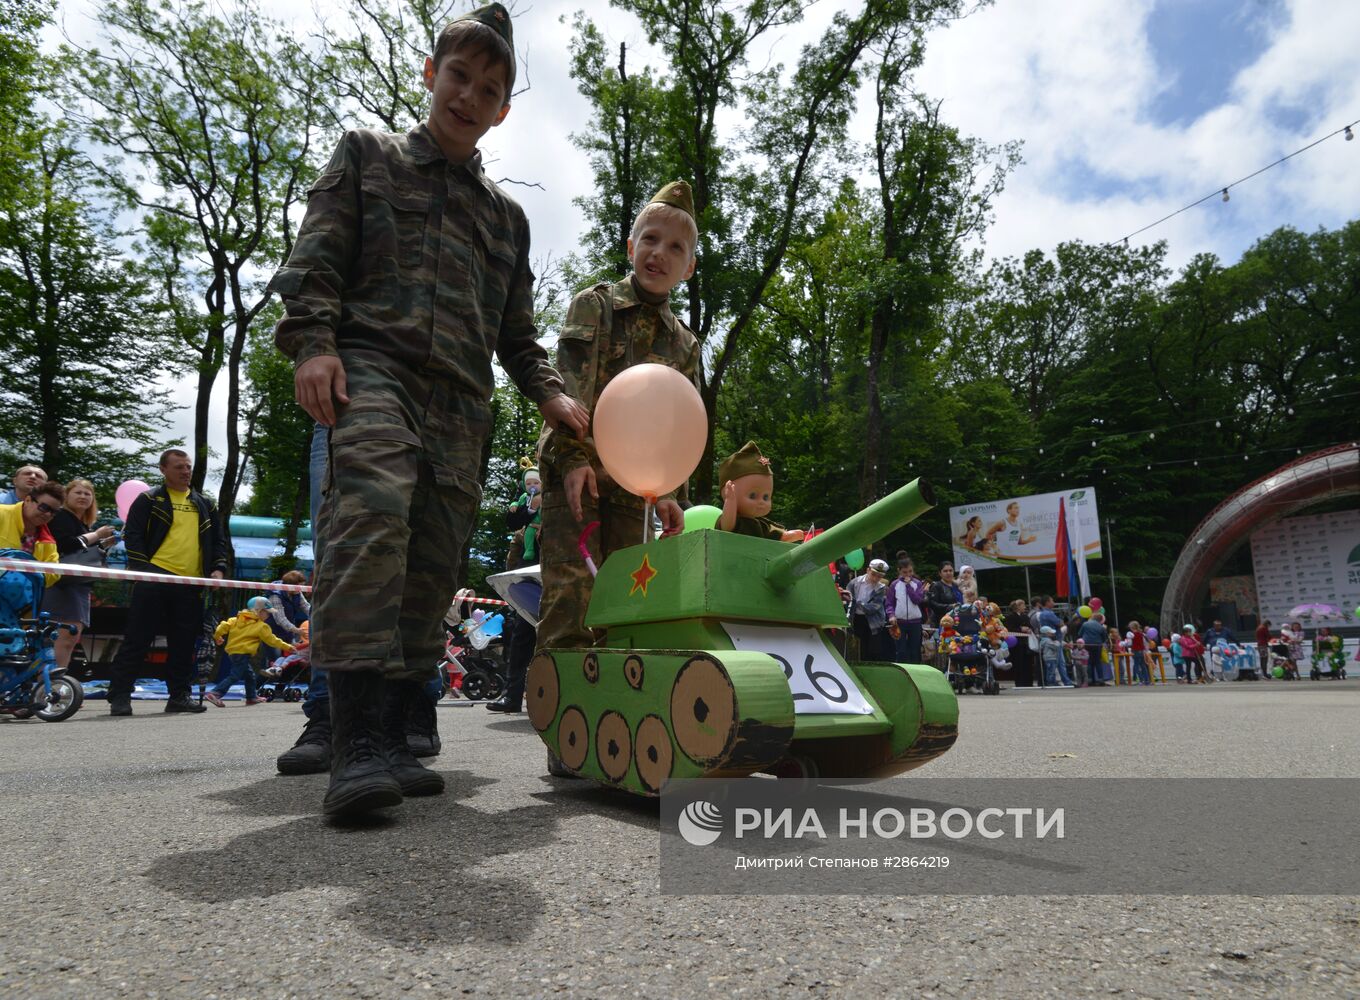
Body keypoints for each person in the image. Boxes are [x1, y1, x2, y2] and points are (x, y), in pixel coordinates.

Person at [269, 4, 589, 817]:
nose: (470, 95)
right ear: (430, 74)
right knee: (370, 524)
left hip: (462, 404)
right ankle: (355, 741)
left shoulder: (505, 219)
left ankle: (398, 732)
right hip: (371, 372)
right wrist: (313, 343)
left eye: (490, 87)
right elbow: (316, 259)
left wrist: (552, 394)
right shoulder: (368, 157)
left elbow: (517, 336)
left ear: (503, 109)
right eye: (459, 75)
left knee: (433, 564)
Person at [535, 179, 699, 651]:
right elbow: (568, 389)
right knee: (572, 597)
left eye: (674, 248)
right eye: (649, 239)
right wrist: (570, 459)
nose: (658, 254)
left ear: (687, 268)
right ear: (631, 246)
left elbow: (678, 423)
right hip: (577, 478)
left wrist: (671, 493)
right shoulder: (596, 306)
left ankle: (613, 713)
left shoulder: (685, 344)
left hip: (636, 492)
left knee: (626, 605)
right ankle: (561, 714)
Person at [107, 450, 228, 716]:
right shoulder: (148, 499)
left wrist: (218, 569)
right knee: (138, 639)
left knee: (184, 643)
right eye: (178, 467)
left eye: (188, 467)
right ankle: (120, 695)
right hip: (154, 578)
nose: (185, 472)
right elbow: (133, 538)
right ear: (163, 469)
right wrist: (144, 571)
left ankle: (179, 696)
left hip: (190, 583)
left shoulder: (205, 504)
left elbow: (218, 542)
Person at [43, 478, 118, 668]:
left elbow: (81, 550)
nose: (83, 497)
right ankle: (52, 682)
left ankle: (57, 680)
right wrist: (97, 535)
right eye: (78, 492)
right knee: (63, 636)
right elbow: (65, 545)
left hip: (77, 586)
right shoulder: (60, 516)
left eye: (87, 493)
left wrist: (103, 544)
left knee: (70, 637)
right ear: (66, 495)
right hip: (62, 586)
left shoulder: (80, 522)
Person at [487, 477, 540, 714]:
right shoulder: (525, 513)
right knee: (521, 636)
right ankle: (512, 695)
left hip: (561, 575)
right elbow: (513, 529)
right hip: (530, 584)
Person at [204, 597, 295, 707]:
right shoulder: (261, 626)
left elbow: (223, 626)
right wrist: (287, 647)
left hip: (233, 653)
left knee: (249, 675)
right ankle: (215, 693)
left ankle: (251, 697)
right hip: (243, 654)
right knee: (235, 676)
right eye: (267, 613)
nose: (268, 615)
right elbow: (272, 640)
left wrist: (218, 636)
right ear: (259, 611)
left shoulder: (236, 620)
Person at [0, 480, 63, 586]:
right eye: (44, 507)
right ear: (28, 500)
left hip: (18, 599)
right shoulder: (2, 513)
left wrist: (28, 579)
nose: (48, 514)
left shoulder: (48, 540)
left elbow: (54, 574)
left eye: (53, 512)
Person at [884, 556, 926, 664]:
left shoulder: (917, 583)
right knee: (901, 650)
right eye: (904, 572)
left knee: (915, 650)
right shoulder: (894, 584)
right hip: (899, 622)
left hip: (915, 622)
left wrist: (908, 586)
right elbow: (889, 603)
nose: (908, 574)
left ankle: (917, 672)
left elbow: (917, 600)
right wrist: (891, 615)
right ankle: (901, 672)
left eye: (910, 571)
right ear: (899, 571)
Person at [847, 559, 891, 661]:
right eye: (873, 574)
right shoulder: (854, 583)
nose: (875, 578)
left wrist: (858, 603)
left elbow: (874, 607)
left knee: (873, 649)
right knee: (858, 646)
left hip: (873, 621)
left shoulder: (880, 588)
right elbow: (848, 599)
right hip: (857, 618)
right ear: (868, 570)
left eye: (879, 576)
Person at [1003, 598, 1033, 686]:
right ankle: (1019, 682)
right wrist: (1020, 629)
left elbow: (1030, 625)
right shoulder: (1010, 617)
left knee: (1027, 663)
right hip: (1016, 643)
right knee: (1018, 662)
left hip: (1025, 642)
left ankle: (1028, 682)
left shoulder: (1025, 616)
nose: (1024, 607)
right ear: (1018, 606)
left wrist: (1029, 629)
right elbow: (1009, 629)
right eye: (1023, 605)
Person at [1126, 620, 1151, 685]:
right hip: (1142, 651)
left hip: (1135, 650)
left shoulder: (1132, 635)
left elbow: (1129, 643)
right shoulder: (1141, 633)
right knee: (1143, 666)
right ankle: (1147, 680)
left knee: (1136, 666)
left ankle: (1141, 680)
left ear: (1132, 627)